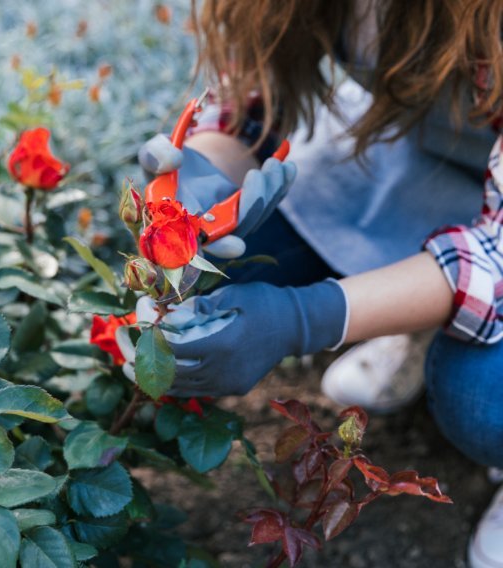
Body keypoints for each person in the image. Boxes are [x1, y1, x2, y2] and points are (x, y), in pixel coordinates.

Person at [134, 1, 503, 566]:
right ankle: (419, 316)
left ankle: (427, 315)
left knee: (482, 396)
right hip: (419, 152)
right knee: (234, 263)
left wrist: (307, 318)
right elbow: (254, 96)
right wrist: (198, 180)